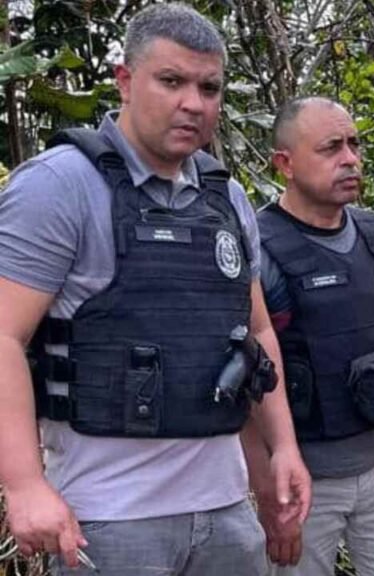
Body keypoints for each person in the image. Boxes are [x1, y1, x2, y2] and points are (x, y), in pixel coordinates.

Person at [0, 4, 310, 575]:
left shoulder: (226, 199)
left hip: (225, 511)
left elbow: (256, 330)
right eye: (171, 81)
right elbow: (3, 337)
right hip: (108, 519)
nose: (193, 103)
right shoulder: (60, 185)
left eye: (209, 88)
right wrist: (24, 484)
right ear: (125, 80)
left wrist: (283, 448)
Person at [250, 96, 374, 576]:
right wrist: (267, 489)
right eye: (331, 148)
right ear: (285, 164)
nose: (350, 159)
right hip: (304, 479)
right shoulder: (259, 250)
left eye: (354, 144)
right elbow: (249, 373)